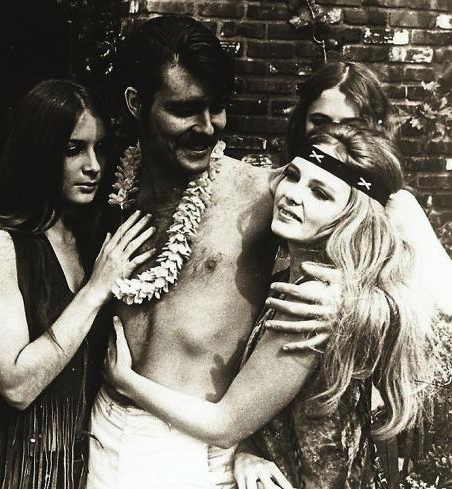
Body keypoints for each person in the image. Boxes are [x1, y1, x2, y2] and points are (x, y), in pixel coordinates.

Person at [85, 15, 344, 489]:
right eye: (185, 110)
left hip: (193, 447)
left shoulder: (263, 194)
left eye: (217, 108)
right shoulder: (105, 194)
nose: (207, 128)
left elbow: (384, 236)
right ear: (136, 104)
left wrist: (347, 297)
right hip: (102, 435)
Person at [106, 123, 438, 488]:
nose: (293, 195)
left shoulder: (311, 305)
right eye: (293, 176)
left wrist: (125, 381)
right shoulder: (298, 279)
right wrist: (248, 449)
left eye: (320, 193)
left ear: (351, 218)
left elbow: (224, 424)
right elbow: (268, 405)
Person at [0, 79, 155, 489]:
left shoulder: (88, 240)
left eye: (100, 148)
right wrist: (95, 291)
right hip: (4, 468)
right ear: (39, 152)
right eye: (74, 149)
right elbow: (16, 385)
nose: (94, 165)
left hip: (69, 466)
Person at [285, 61, 452, 316]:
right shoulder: (284, 187)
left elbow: (447, 297)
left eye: (351, 125)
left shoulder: (393, 204)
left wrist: (358, 306)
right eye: (319, 122)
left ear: (376, 127)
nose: (333, 135)